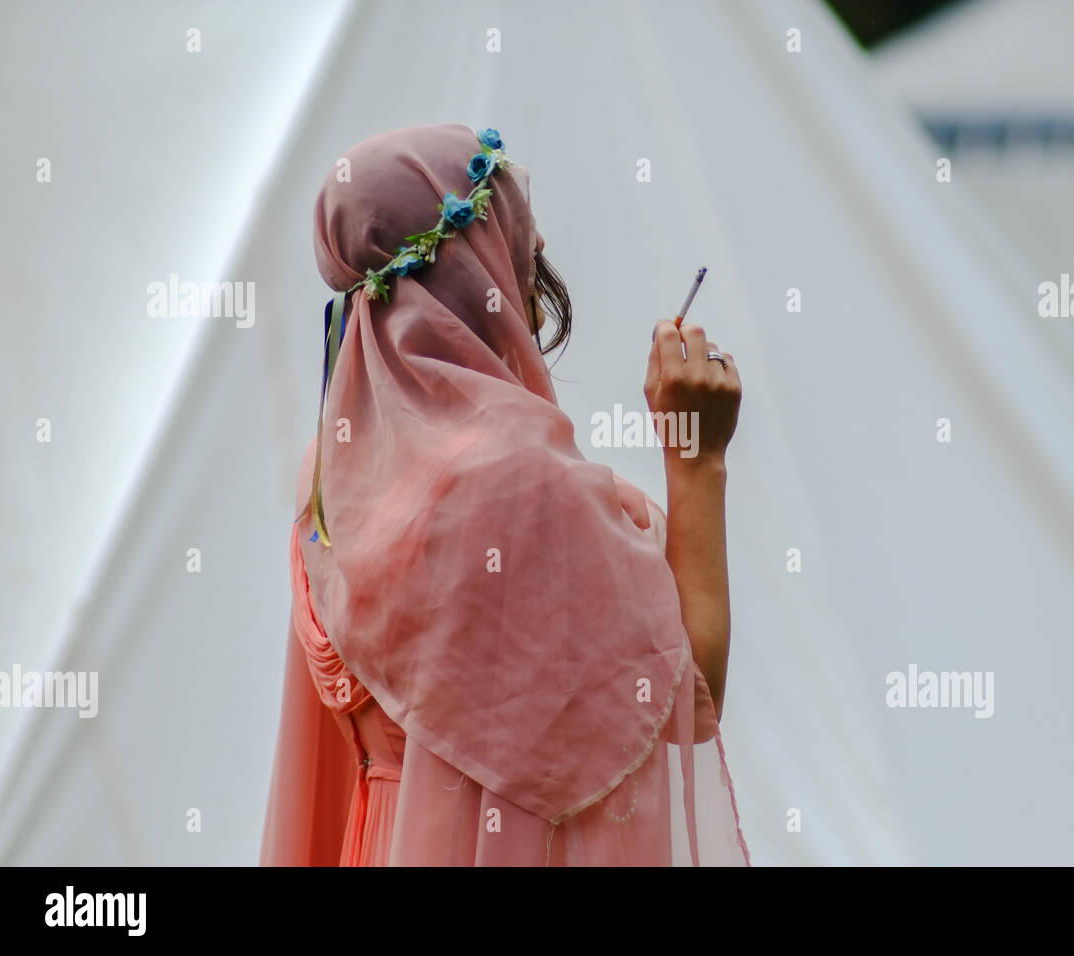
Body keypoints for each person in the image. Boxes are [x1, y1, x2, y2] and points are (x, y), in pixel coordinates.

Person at [261, 124, 750, 866]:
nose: (535, 263)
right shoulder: (516, 483)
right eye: (520, 245)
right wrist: (697, 457)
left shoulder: (330, 469)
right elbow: (683, 692)